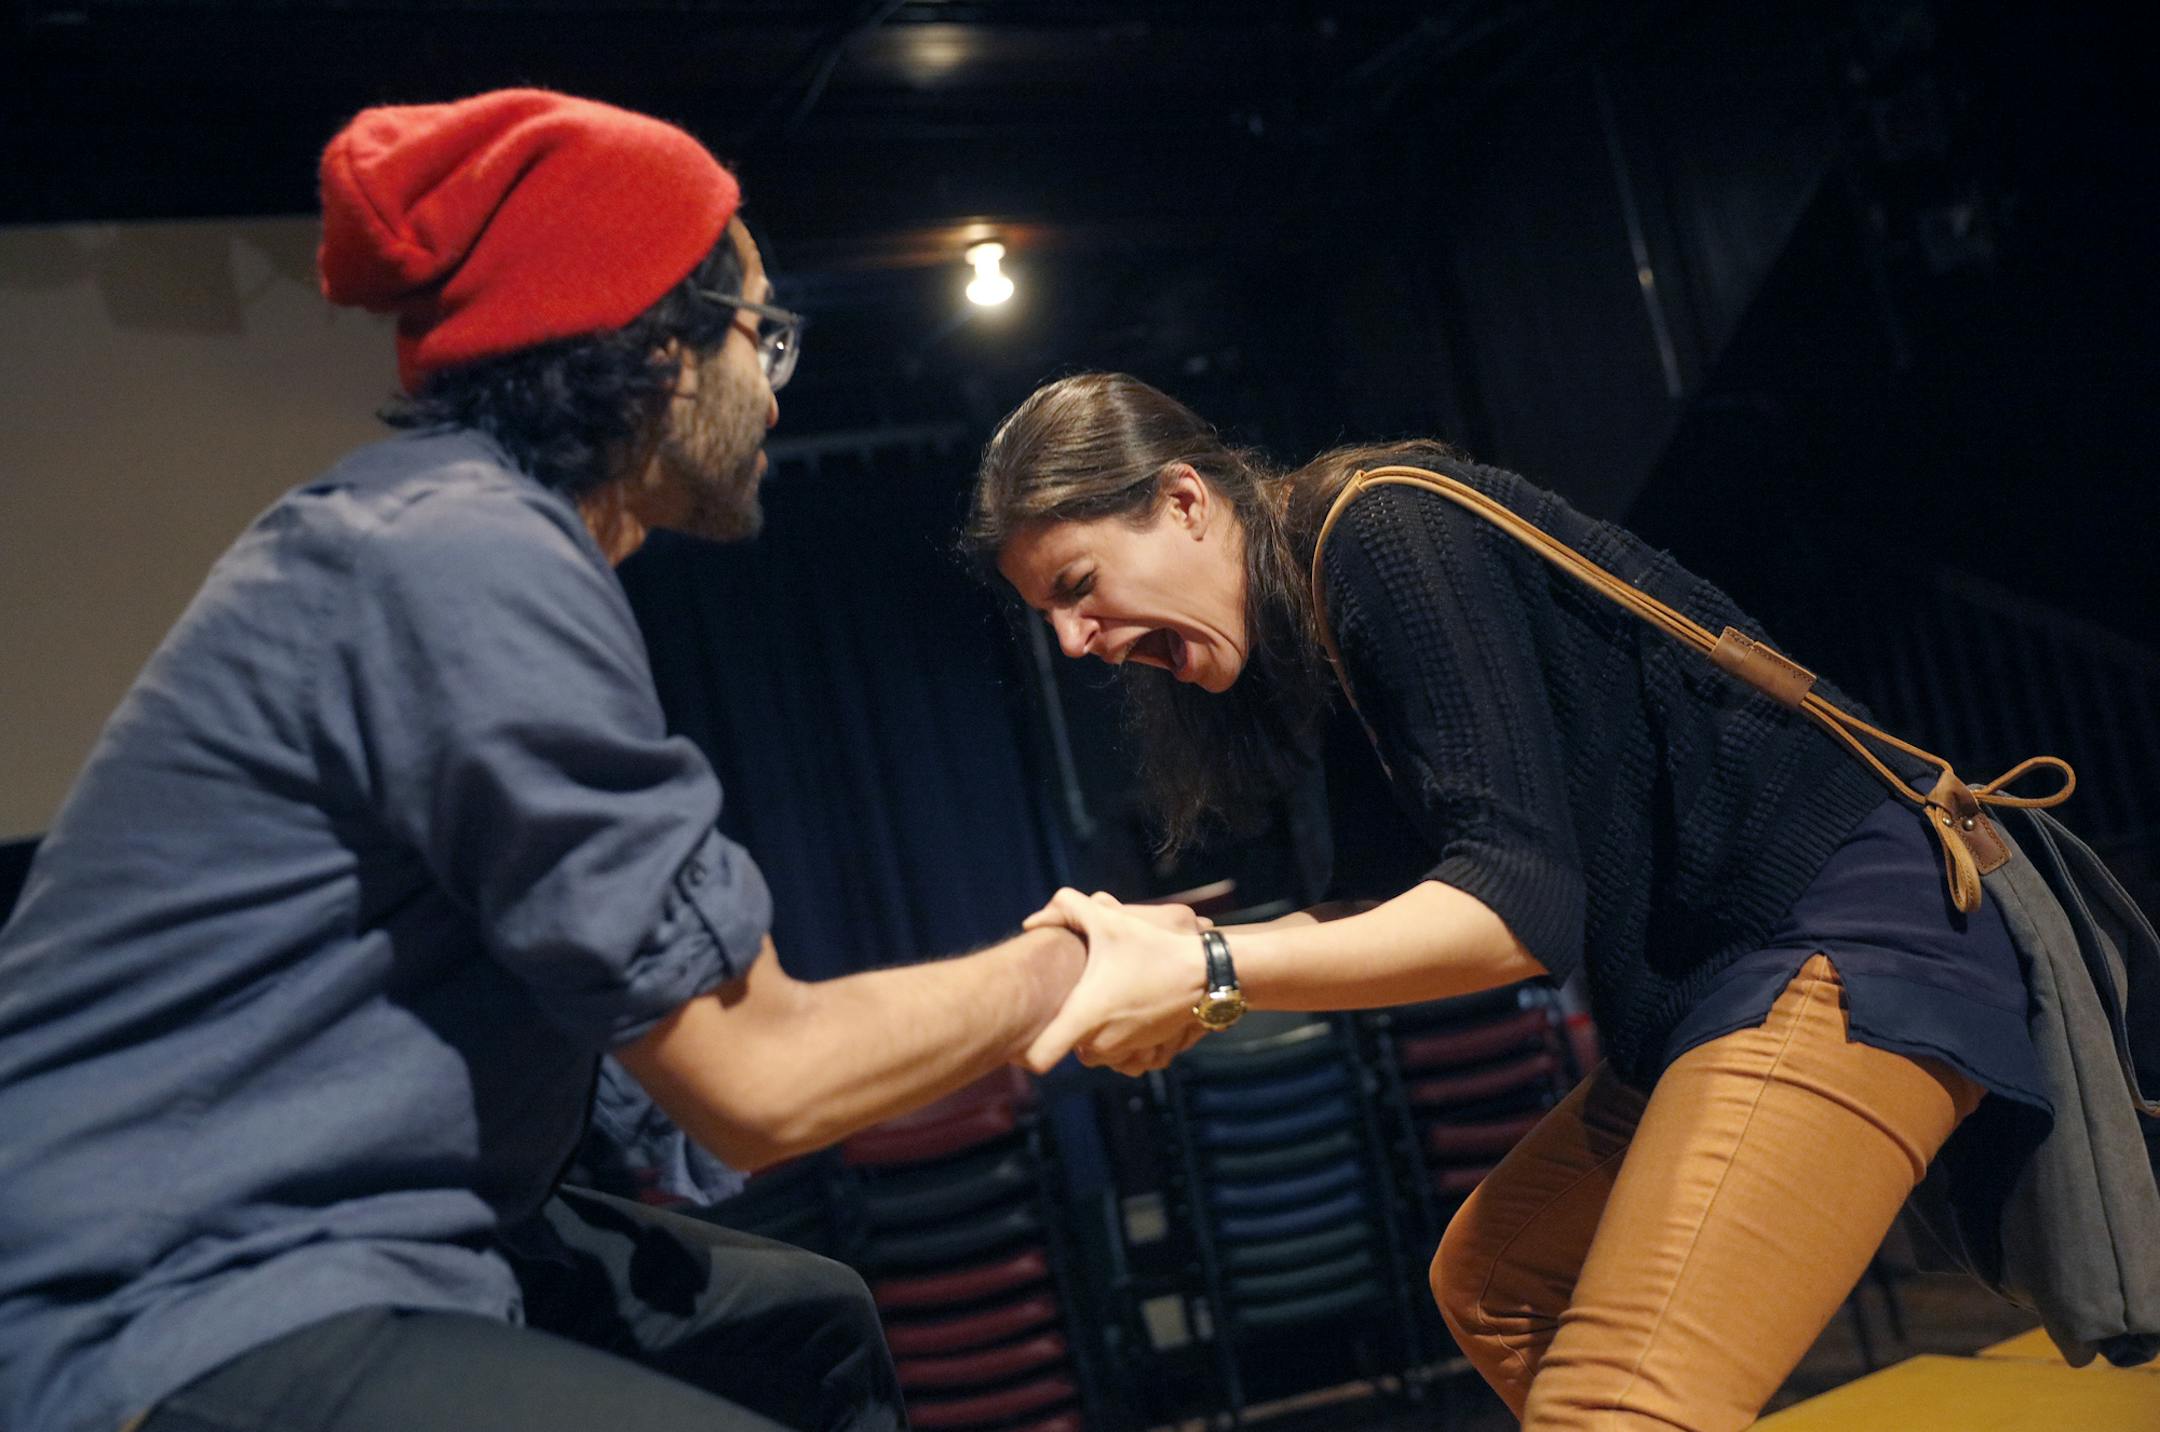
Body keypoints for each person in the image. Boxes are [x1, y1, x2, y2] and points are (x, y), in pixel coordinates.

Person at [0, 90, 1097, 1432]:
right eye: (763, 333)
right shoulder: (456, 555)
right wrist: (1074, 963)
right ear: (658, 348)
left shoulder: (478, 544)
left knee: (809, 1327)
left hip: (411, 1243)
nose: (771, 380)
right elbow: (764, 1081)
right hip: (171, 1291)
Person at [973, 372, 2056, 1432]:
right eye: (1050, 617)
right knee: (1498, 1278)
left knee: (1611, 1406)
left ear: (1183, 501)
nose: (1076, 643)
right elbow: (1388, 904)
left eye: (1078, 586)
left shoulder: (1380, 533)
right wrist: (1194, 950)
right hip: (1718, 984)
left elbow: (1514, 911)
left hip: (1846, 941)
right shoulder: (1318, 608)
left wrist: (1213, 967)